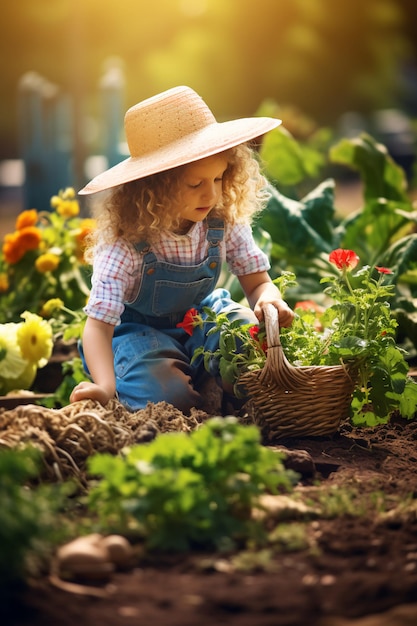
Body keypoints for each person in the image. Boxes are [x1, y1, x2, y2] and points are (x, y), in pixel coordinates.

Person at [70, 85, 294, 413]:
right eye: (195, 184)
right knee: (166, 397)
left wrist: (268, 299)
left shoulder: (221, 222)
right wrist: (104, 386)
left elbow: (257, 282)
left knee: (245, 336)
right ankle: (190, 388)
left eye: (218, 180)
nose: (211, 195)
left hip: (201, 321)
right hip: (140, 335)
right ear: (153, 187)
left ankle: (225, 394)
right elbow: (99, 326)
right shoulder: (125, 244)